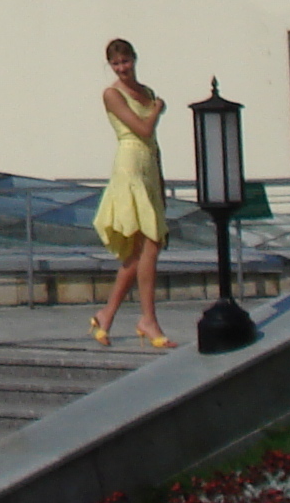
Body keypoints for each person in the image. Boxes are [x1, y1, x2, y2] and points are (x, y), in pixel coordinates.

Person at [91, 37, 174, 348]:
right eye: (116, 64)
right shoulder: (112, 94)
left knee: (137, 251)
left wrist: (161, 185)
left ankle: (107, 314)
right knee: (149, 243)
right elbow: (142, 129)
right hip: (129, 167)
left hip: (148, 168)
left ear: (134, 59)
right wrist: (158, 110)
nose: (122, 68)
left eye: (125, 62)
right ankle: (148, 319)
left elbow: (153, 144)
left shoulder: (146, 92)